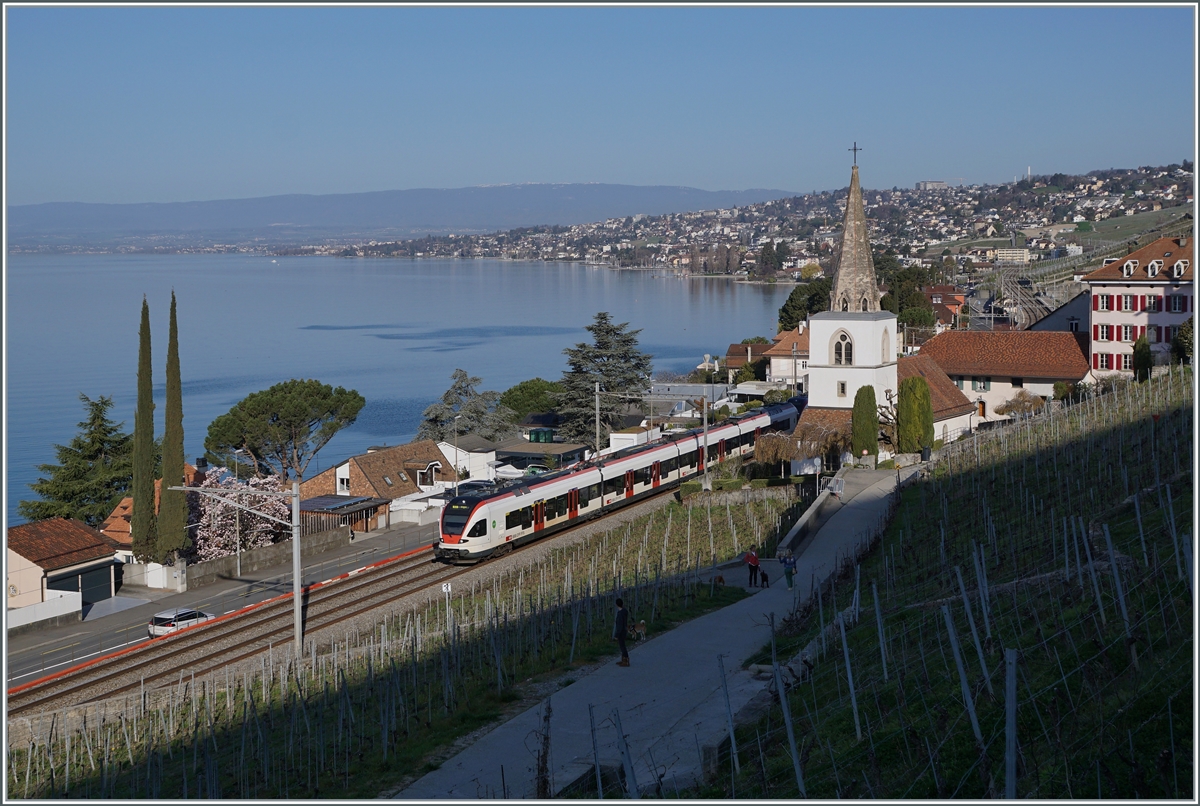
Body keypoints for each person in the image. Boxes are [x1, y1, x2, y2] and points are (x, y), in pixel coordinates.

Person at [613, 597, 630, 666]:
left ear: (616, 605)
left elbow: (620, 625)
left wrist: (616, 635)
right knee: (622, 645)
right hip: (624, 630)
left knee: (622, 646)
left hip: (621, 632)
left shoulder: (620, 614)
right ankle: (623, 659)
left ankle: (626, 660)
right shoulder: (624, 611)